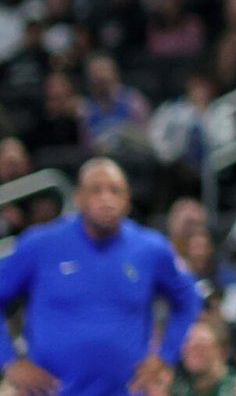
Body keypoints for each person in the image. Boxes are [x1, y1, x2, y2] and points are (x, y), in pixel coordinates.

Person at [0, 157, 202, 396]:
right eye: (96, 190)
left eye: (115, 191)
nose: (106, 199)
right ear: (78, 198)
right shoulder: (40, 245)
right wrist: (9, 361)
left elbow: (188, 298)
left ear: (127, 200)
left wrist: (165, 357)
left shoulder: (151, 249)